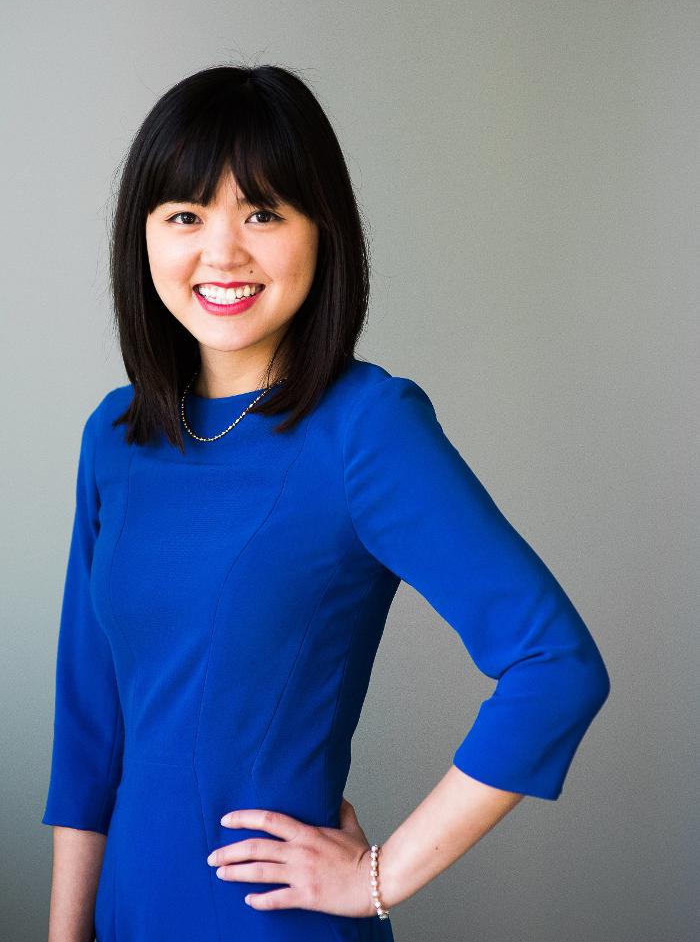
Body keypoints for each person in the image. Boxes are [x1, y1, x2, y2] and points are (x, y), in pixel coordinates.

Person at [41, 63, 611, 942]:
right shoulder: (115, 436)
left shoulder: (366, 427)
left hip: (271, 926)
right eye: (185, 215)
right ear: (142, 237)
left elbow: (555, 664)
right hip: (126, 915)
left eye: (263, 213)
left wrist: (378, 876)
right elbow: (89, 732)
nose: (222, 253)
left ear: (322, 230)